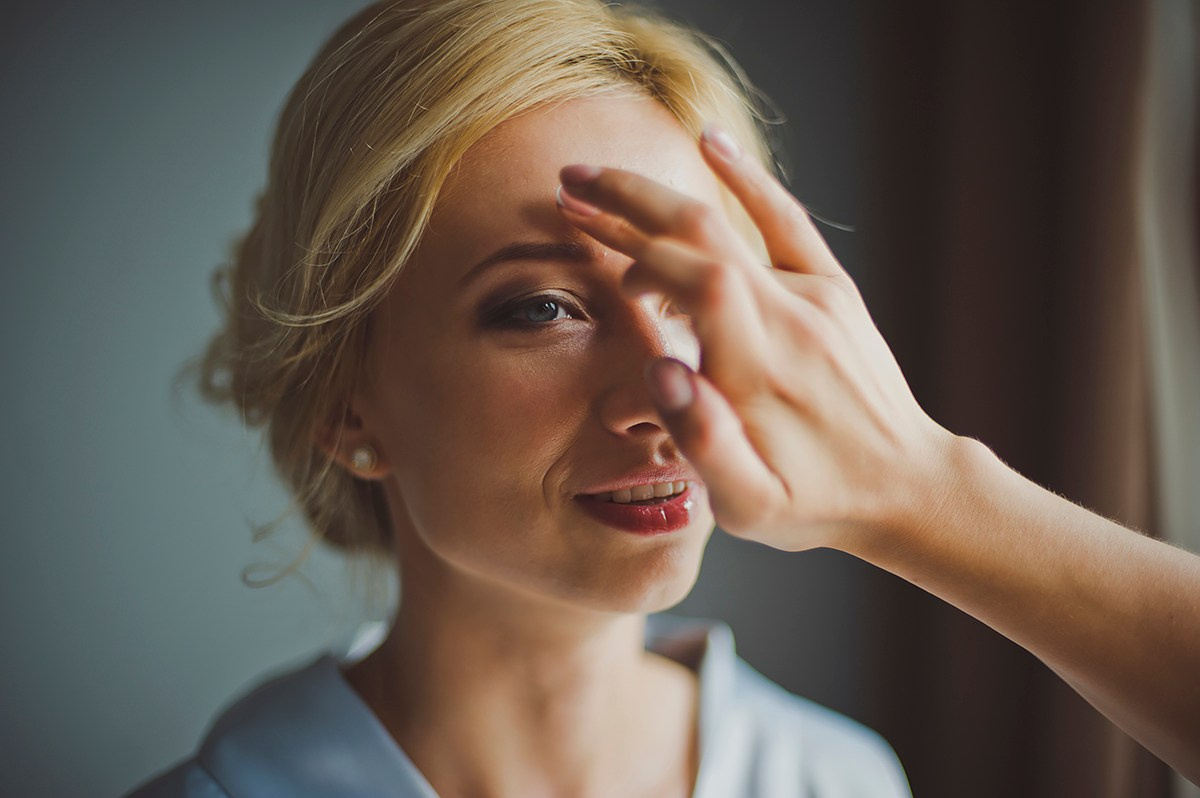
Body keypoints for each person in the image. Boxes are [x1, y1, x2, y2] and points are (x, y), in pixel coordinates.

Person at [125, 1, 1200, 796]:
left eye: (691, 294)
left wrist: (927, 485)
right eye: (543, 308)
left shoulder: (838, 780)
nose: (665, 393)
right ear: (347, 402)